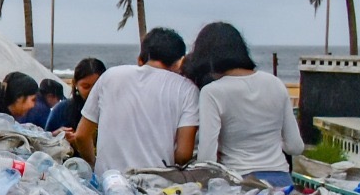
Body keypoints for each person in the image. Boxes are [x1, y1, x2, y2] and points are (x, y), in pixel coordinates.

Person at [186, 22, 304, 184]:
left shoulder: (213, 92)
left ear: (207, 58)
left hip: (239, 185)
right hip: (282, 182)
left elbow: (207, 159)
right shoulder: (275, 83)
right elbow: (295, 147)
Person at [73, 28, 199, 175]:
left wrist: (94, 164)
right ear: (180, 61)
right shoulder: (187, 89)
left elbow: (81, 135)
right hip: (157, 185)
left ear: (142, 55)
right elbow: (183, 155)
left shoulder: (111, 76)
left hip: (109, 184)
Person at [47, 58, 105, 135]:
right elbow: (44, 141)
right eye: (86, 86)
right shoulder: (62, 110)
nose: (92, 92)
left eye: (97, 86)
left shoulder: (114, 109)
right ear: (75, 84)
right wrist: (56, 134)